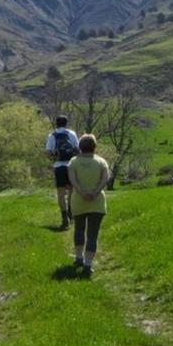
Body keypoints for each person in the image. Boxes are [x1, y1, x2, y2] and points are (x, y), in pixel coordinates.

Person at [67, 134, 110, 277]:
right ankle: (88, 264)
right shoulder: (101, 162)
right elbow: (105, 180)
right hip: (97, 201)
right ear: (94, 146)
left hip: (78, 200)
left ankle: (79, 257)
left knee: (79, 230)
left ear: (80, 146)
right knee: (93, 234)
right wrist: (94, 192)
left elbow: (73, 180)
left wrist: (82, 193)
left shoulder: (73, 162)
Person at [45, 115, 80, 228]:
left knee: (61, 193)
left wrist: (54, 157)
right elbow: (78, 149)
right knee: (71, 190)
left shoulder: (52, 135)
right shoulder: (72, 134)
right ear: (66, 123)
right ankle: (71, 212)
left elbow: (48, 153)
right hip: (71, 165)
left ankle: (64, 217)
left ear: (56, 123)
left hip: (59, 166)